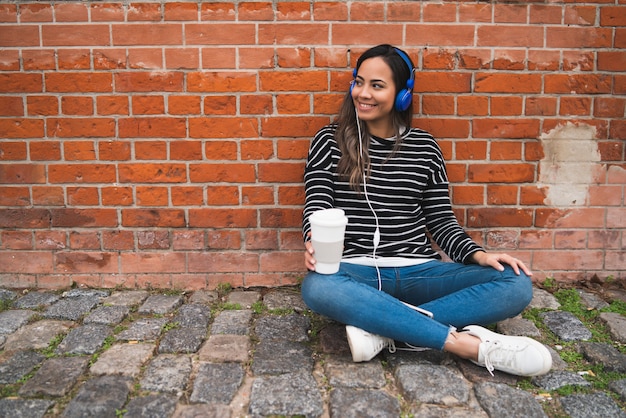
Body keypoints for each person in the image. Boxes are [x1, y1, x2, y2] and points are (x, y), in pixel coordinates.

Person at [301, 44, 551, 377]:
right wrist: (313, 239)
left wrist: (478, 255)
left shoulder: (424, 146)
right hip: (355, 273)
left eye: (377, 85)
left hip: (420, 271)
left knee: (515, 283)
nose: (363, 93)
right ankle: (464, 345)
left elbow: (441, 221)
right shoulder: (329, 140)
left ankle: (385, 329)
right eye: (359, 82)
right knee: (317, 287)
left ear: (403, 94)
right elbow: (317, 202)